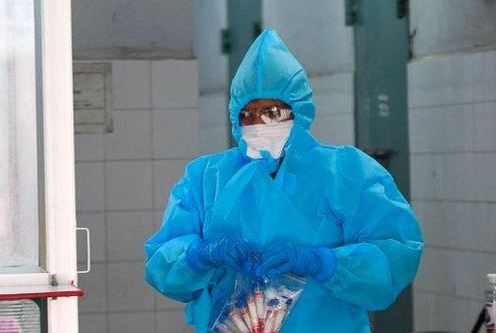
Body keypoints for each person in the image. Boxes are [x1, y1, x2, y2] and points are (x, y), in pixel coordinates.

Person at [144, 29, 423, 332]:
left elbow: (394, 255)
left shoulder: (347, 172)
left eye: (272, 112)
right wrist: (202, 255)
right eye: (247, 114)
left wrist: (322, 263)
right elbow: (162, 264)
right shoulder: (205, 177)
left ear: (298, 112)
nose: (258, 123)